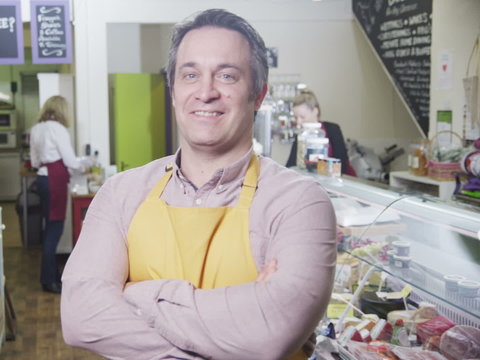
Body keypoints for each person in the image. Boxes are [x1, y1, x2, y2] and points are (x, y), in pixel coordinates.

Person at [61, 9, 336, 359]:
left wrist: (136, 294)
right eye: (190, 75)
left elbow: (271, 334)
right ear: (173, 90)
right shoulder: (120, 193)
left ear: (258, 95)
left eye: (227, 76)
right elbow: (80, 319)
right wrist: (239, 331)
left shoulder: (299, 202)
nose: (205, 92)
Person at [29, 95, 84, 294]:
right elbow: (70, 160)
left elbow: (34, 161)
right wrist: (83, 165)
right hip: (55, 180)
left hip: (43, 179)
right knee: (55, 229)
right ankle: (49, 279)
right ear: (62, 111)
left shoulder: (36, 129)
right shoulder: (58, 129)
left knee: (49, 227)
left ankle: (51, 275)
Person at [285, 89, 357, 176]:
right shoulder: (301, 136)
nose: (299, 122)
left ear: (315, 111)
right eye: (296, 118)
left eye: (302, 117)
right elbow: (290, 166)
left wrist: (316, 168)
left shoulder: (332, 130)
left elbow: (342, 165)